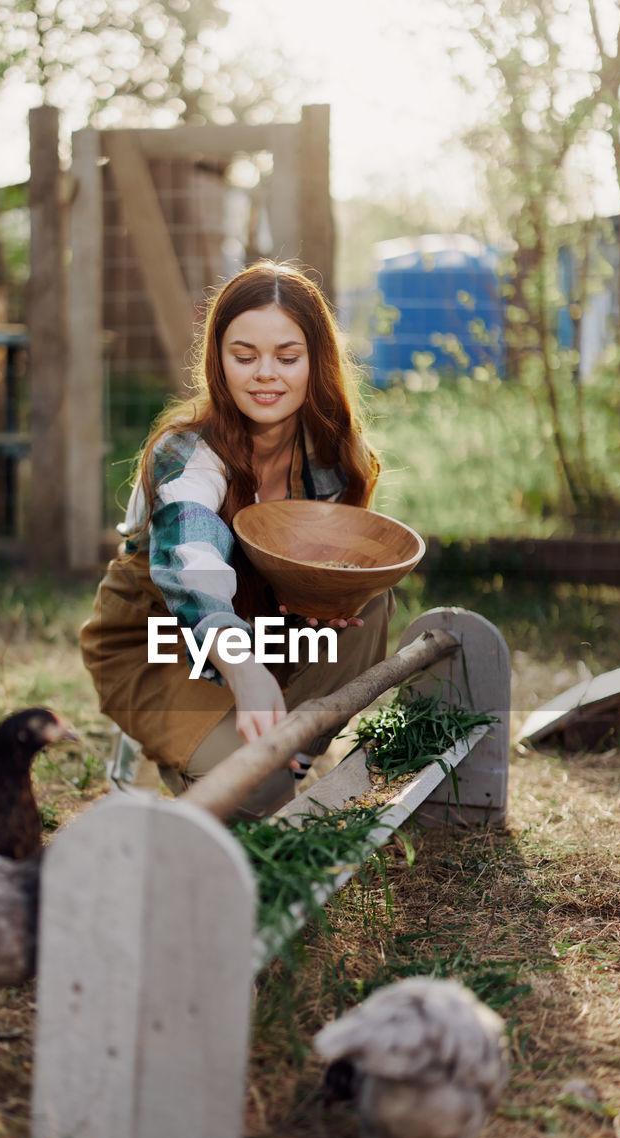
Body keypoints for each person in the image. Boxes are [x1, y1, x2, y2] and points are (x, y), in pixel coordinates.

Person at [80, 260, 394, 819]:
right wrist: (245, 668)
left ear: (315, 362)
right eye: (244, 357)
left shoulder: (333, 458)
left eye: (287, 357)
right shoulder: (186, 455)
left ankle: (285, 743)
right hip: (160, 638)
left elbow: (337, 564)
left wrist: (321, 597)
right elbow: (195, 566)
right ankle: (241, 757)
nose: (265, 374)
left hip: (264, 625)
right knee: (260, 795)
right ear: (218, 362)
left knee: (370, 600)